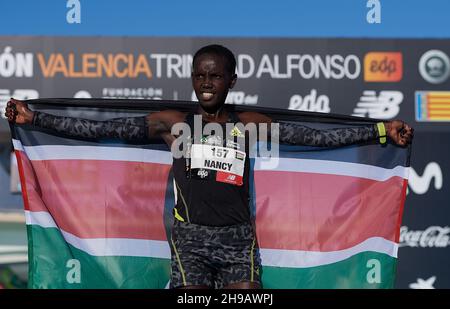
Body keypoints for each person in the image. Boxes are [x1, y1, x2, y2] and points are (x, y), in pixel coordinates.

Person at [5, 44, 413, 289]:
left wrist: (380, 132)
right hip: (190, 242)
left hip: (239, 242)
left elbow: (314, 136)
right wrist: (35, 120)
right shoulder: (175, 124)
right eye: (199, 75)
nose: (205, 83)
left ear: (231, 80)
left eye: (215, 76)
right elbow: (102, 129)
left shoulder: (248, 126)